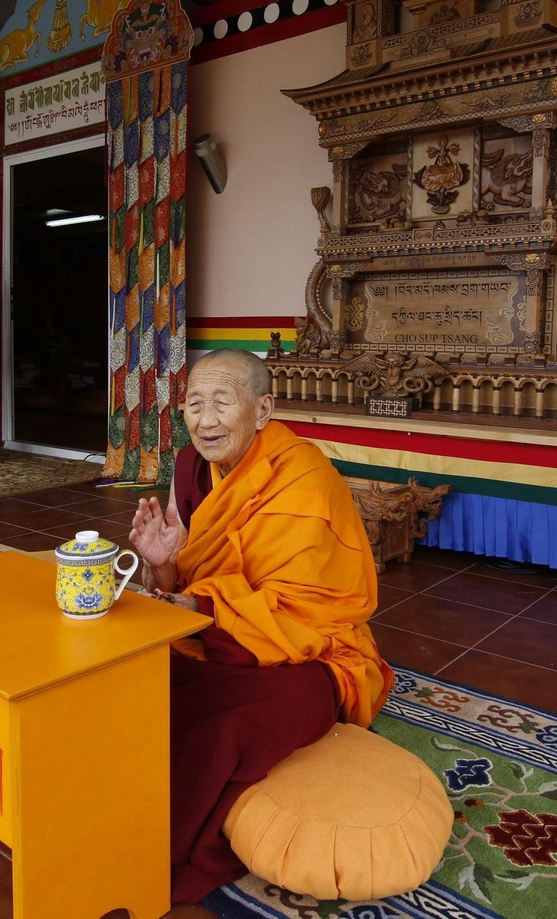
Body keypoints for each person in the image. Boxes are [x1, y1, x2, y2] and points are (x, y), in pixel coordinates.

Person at [127, 347, 391, 903]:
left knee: (237, 722)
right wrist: (161, 564)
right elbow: (177, 582)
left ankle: (151, 848)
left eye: (222, 402)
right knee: (133, 682)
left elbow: (311, 607)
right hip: (212, 633)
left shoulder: (305, 478)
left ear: (263, 410)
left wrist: (200, 608)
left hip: (308, 649)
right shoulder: (189, 466)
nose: (205, 420)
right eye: (194, 404)